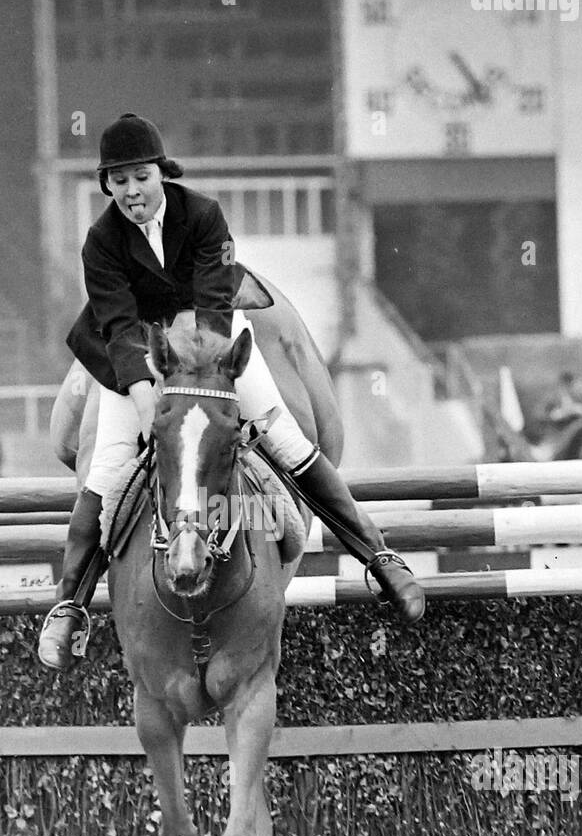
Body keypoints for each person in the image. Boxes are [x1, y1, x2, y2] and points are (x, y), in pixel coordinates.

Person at [38, 112, 425, 671]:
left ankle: (381, 557)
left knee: (285, 439)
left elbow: (217, 307)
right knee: (106, 471)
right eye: (118, 181)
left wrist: (205, 384)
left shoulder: (203, 215)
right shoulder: (101, 240)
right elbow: (119, 326)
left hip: (213, 341)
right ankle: (68, 607)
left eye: (140, 177)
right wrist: (148, 398)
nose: (130, 192)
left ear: (160, 174)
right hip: (140, 355)